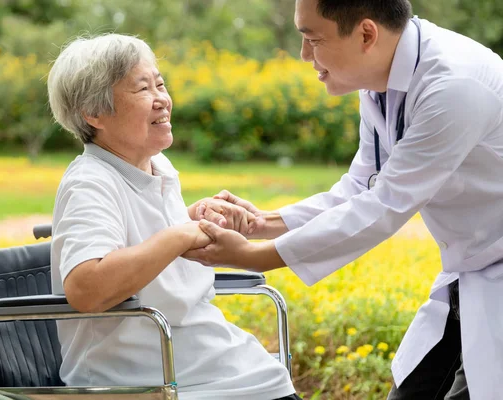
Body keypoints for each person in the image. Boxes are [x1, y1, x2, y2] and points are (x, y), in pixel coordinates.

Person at [185, 0, 503, 399]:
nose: (304, 56)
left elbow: (385, 207)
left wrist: (254, 256)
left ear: (366, 34)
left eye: (313, 40)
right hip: (472, 275)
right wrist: (265, 222)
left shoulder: (453, 86)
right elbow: (362, 186)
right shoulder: (381, 83)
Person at [46, 33, 299, 400]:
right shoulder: (90, 182)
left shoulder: (157, 169)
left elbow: (146, 241)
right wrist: (183, 235)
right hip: (139, 373)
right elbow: (87, 288)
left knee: (268, 377)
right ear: (94, 113)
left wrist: (195, 219)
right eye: (143, 88)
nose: (162, 99)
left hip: (201, 359)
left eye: (160, 84)